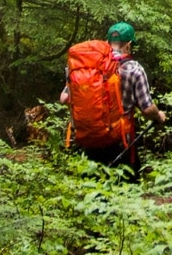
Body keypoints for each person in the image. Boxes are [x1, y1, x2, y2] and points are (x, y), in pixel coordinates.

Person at [61, 20, 161, 173]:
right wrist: (159, 116)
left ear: (107, 42)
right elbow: (147, 110)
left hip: (88, 140)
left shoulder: (91, 66)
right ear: (128, 44)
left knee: (93, 188)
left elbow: (64, 98)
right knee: (125, 188)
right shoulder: (133, 69)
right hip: (118, 141)